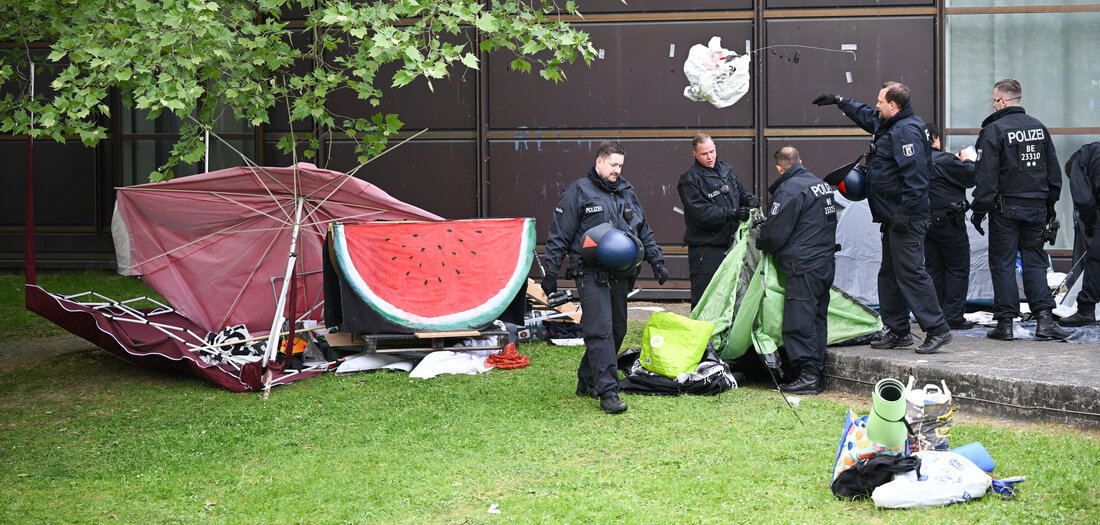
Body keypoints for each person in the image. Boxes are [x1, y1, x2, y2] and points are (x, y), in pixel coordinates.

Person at [813, 81, 953, 354]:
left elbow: (917, 180)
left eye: (880, 101)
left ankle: (937, 329)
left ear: (893, 105)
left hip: (907, 219)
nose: (875, 105)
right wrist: (840, 100)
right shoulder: (890, 124)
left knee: (911, 272)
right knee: (889, 274)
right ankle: (898, 330)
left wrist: (905, 213)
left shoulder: (907, 132)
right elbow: (867, 115)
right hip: (892, 218)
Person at [541, 141, 668, 414]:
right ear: (599, 162)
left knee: (617, 330)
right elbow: (559, 234)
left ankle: (587, 379)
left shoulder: (626, 191)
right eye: (613, 165)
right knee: (599, 331)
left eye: (620, 165)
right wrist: (551, 273)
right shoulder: (578, 191)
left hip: (621, 274)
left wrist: (656, 259)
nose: (616, 171)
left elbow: (642, 228)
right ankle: (608, 392)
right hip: (590, 273)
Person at [970, 79, 1069, 340]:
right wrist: (1049, 206)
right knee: (1035, 262)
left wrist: (979, 210)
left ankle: (1005, 323)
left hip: (1006, 210)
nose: (993, 104)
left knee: (1002, 263)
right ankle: (1045, 320)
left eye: (994, 99)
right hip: (1036, 208)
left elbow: (986, 177)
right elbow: (1053, 174)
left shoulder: (994, 130)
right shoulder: (1039, 128)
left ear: (1003, 101)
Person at [756, 147, 838, 395]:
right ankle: (814, 371)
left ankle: (807, 377)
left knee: (799, 322)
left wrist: (760, 238)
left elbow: (774, 234)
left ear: (780, 169)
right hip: (825, 263)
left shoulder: (789, 190)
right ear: (800, 161)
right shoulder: (820, 185)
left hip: (803, 266)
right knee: (817, 320)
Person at [677, 133, 760, 308]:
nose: (710, 157)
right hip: (706, 249)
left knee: (733, 294)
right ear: (695, 155)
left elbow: (741, 191)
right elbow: (702, 213)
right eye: (704, 154)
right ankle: (703, 335)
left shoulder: (726, 170)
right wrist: (733, 213)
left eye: (712, 151)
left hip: (732, 245)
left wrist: (750, 199)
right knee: (706, 298)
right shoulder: (690, 180)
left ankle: (727, 334)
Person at [926, 124, 977, 330]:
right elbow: (969, 178)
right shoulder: (946, 160)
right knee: (957, 268)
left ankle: (936, 316)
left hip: (924, 223)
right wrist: (968, 161)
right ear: (936, 138)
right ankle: (954, 317)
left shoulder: (913, 161)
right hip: (949, 221)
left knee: (933, 270)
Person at [1059, 141, 1100, 327]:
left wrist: (1090, 225)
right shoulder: (1092, 153)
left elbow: (1083, 199)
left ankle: (1085, 311)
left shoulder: (1077, 162)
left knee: (1096, 259)